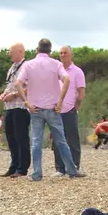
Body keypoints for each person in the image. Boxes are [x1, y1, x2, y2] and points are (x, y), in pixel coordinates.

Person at [16, 38, 82, 180]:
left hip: (35, 109)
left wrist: (26, 102)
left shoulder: (28, 65)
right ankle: (72, 170)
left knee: (36, 142)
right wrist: (60, 101)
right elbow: (67, 80)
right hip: (53, 108)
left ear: (37, 49)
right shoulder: (56, 64)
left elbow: (18, 83)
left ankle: (37, 174)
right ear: (50, 51)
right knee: (61, 141)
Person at [53, 45, 86, 176]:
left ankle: (75, 166)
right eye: (61, 53)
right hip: (56, 110)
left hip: (70, 109)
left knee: (72, 139)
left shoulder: (77, 72)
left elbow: (81, 92)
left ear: (71, 54)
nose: (62, 55)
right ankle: (60, 168)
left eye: (65, 52)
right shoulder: (56, 71)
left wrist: (75, 107)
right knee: (57, 139)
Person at [0, 43, 30, 177]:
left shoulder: (27, 67)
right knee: (11, 137)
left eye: (11, 51)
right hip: (9, 108)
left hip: (21, 107)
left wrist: (15, 95)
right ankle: (14, 166)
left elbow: (31, 87)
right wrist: (4, 94)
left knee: (21, 137)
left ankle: (22, 168)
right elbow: (9, 85)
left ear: (21, 52)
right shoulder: (12, 68)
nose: (9, 54)